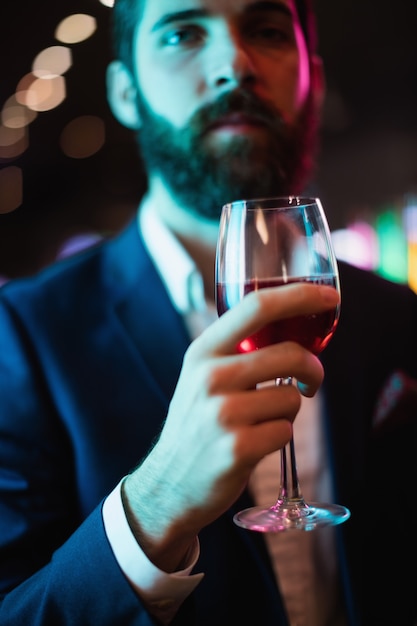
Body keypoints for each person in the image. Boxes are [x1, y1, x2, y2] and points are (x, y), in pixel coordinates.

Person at [0, 0, 416, 624]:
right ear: (125, 92)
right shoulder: (23, 337)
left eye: (268, 30)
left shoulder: (396, 316)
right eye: (183, 33)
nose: (233, 63)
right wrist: (159, 501)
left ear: (315, 80)